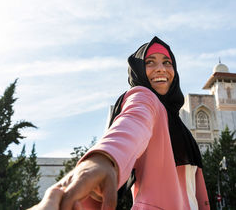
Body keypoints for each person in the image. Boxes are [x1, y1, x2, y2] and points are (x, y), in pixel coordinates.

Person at [33, 36, 210, 210]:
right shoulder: (144, 97)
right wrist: (103, 159)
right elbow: (132, 123)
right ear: (138, 69)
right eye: (149, 62)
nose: (161, 69)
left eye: (167, 62)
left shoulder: (178, 123)